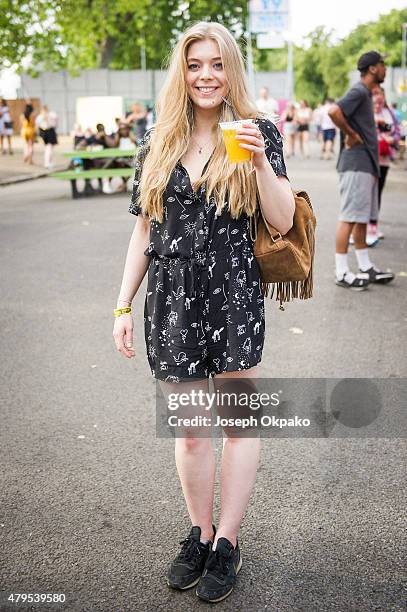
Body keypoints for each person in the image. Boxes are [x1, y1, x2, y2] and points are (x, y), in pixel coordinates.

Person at [113, 21, 294, 603]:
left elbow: (285, 221)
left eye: (216, 64)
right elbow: (144, 228)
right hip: (172, 302)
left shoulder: (256, 131)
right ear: (181, 73)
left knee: (238, 426)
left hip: (233, 297)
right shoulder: (158, 137)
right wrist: (122, 303)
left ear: (231, 70)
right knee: (192, 435)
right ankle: (201, 531)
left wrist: (262, 163)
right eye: (195, 65)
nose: (206, 76)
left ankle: (229, 543)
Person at [328, 50, 395, 290]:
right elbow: (334, 111)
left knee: (361, 217)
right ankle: (342, 271)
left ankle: (365, 266)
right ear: (373, 69)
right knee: (349, 216)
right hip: (356, 164)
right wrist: (352, 134)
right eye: (382, 64)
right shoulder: (358, 91)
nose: (386, 69)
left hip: (365, 164)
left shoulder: (366, 94)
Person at [366, 85, 400, 244]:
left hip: (384, 158)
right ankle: (363, 226)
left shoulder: (390, 113)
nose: (378, 98)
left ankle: (373, 224)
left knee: (378, 191)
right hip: (368, 159)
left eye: (380, 94)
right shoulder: (366, 113)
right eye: (375, 94)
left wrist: (392, 140)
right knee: (367, 192)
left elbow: (397, 132)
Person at [20, 99, 36, 164]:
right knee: (31, 146)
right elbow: (34, 123)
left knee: (25, 145)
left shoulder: (22, 115)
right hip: (31, 130)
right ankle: (30, 159)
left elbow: (21, 123)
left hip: (24, 130)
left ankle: (26, 155)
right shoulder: (33, 115)